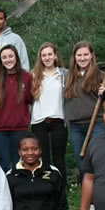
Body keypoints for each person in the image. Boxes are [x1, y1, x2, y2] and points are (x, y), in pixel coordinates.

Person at [64, 41, 105, 183]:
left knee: (96, 158)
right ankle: (88, 196)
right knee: (81, 161)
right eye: (79, 55)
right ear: (74, 57)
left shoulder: (101, 76)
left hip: (97, 123)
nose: (82, 58)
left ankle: (102, 190)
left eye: (85, 54)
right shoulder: (68, 77)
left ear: (91, 56)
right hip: (75, 125)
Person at [0, 45, 33, 171]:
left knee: (18, 162)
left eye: (11, 56)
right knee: (3, 163)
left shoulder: (26, 77)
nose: (8, 60)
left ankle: (18, 190)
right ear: (0, 60)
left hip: (19, 128)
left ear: (16, 58)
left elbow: (30, 99)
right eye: (4, 57)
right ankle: (2, 190)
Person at [30, 42, 68, 182]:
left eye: (49, 54)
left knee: (59, 158)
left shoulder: (64, 74)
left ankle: (61, 187)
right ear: (40, 57)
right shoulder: (33, 75)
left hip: (58, 120)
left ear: (55, 56)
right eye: (43, 55)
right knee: (43, 157)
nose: (47, 58)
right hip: (39, 121)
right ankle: (45, 186)